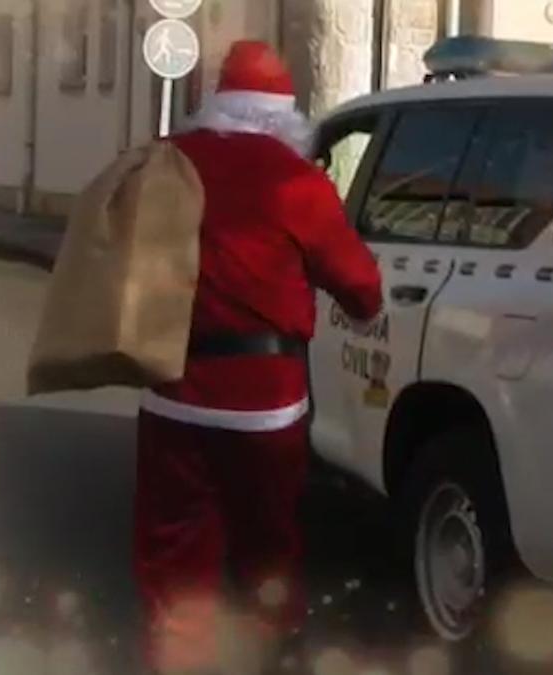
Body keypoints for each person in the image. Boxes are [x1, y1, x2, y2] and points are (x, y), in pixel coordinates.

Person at [132, 41, 383, 674]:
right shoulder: (295, 180)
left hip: (173, 387)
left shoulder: (169, 163)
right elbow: (360, 288)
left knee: (177, 550)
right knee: (267, 547)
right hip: (264, 403)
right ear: (283, 116)